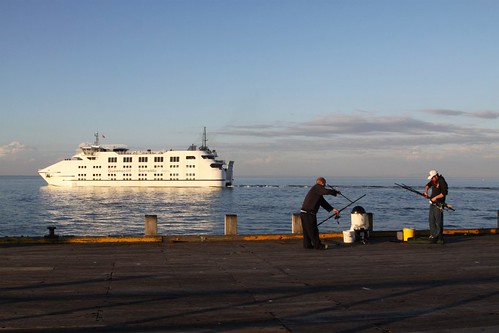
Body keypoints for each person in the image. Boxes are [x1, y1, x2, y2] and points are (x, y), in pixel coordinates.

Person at [300, 177, 340, 250]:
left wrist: (333, 209)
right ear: (322, 183)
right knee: (313, 230)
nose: (325, 186)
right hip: (308, 213)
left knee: (307, 230)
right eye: (324, 184)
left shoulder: (317, 192)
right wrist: (335, 192)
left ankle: (307, 245)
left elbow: (323, 203)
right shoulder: (317, 187)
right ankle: (318, 246)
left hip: (305, 213)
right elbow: (326, 191)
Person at [424, 170, 448, 244]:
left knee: (438, 221)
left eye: (432, 178)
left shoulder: (442, 181)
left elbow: (444, 193)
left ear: (436, 176)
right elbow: (427, 185)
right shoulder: (433, 181)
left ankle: (439, 237)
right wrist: (426, 191)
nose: (431, 179)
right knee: (431, 220)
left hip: (439, 204)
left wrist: (435, 198)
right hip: (432, 203)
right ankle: (433, 235)